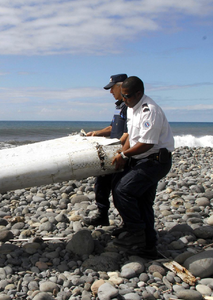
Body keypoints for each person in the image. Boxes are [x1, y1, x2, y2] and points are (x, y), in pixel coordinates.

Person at [111, 76, 174, 259]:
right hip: (141, 159)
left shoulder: (150, 111)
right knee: (141, 200)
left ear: (139, 93)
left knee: (124, 190)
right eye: (122, 96)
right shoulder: (132, 107)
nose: (124, 100)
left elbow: (147, 143)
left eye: (127, 96)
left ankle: (135, 232)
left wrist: (124, 155)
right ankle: (148, 246)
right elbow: (132, 135)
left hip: (155, 161)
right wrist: (124, 153)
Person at [84, 73, 128, 227]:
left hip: (122, 153)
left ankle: (127, 223)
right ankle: (102, 214)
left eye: (112, 88)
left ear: (122, 86)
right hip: (112, 151)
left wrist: (121, 153)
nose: (110, 92)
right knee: (101, 183)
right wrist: (96, 133)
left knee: (119, 190)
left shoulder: (129, 107)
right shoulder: (119, 107)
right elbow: (112, 128)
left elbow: (129, 134)